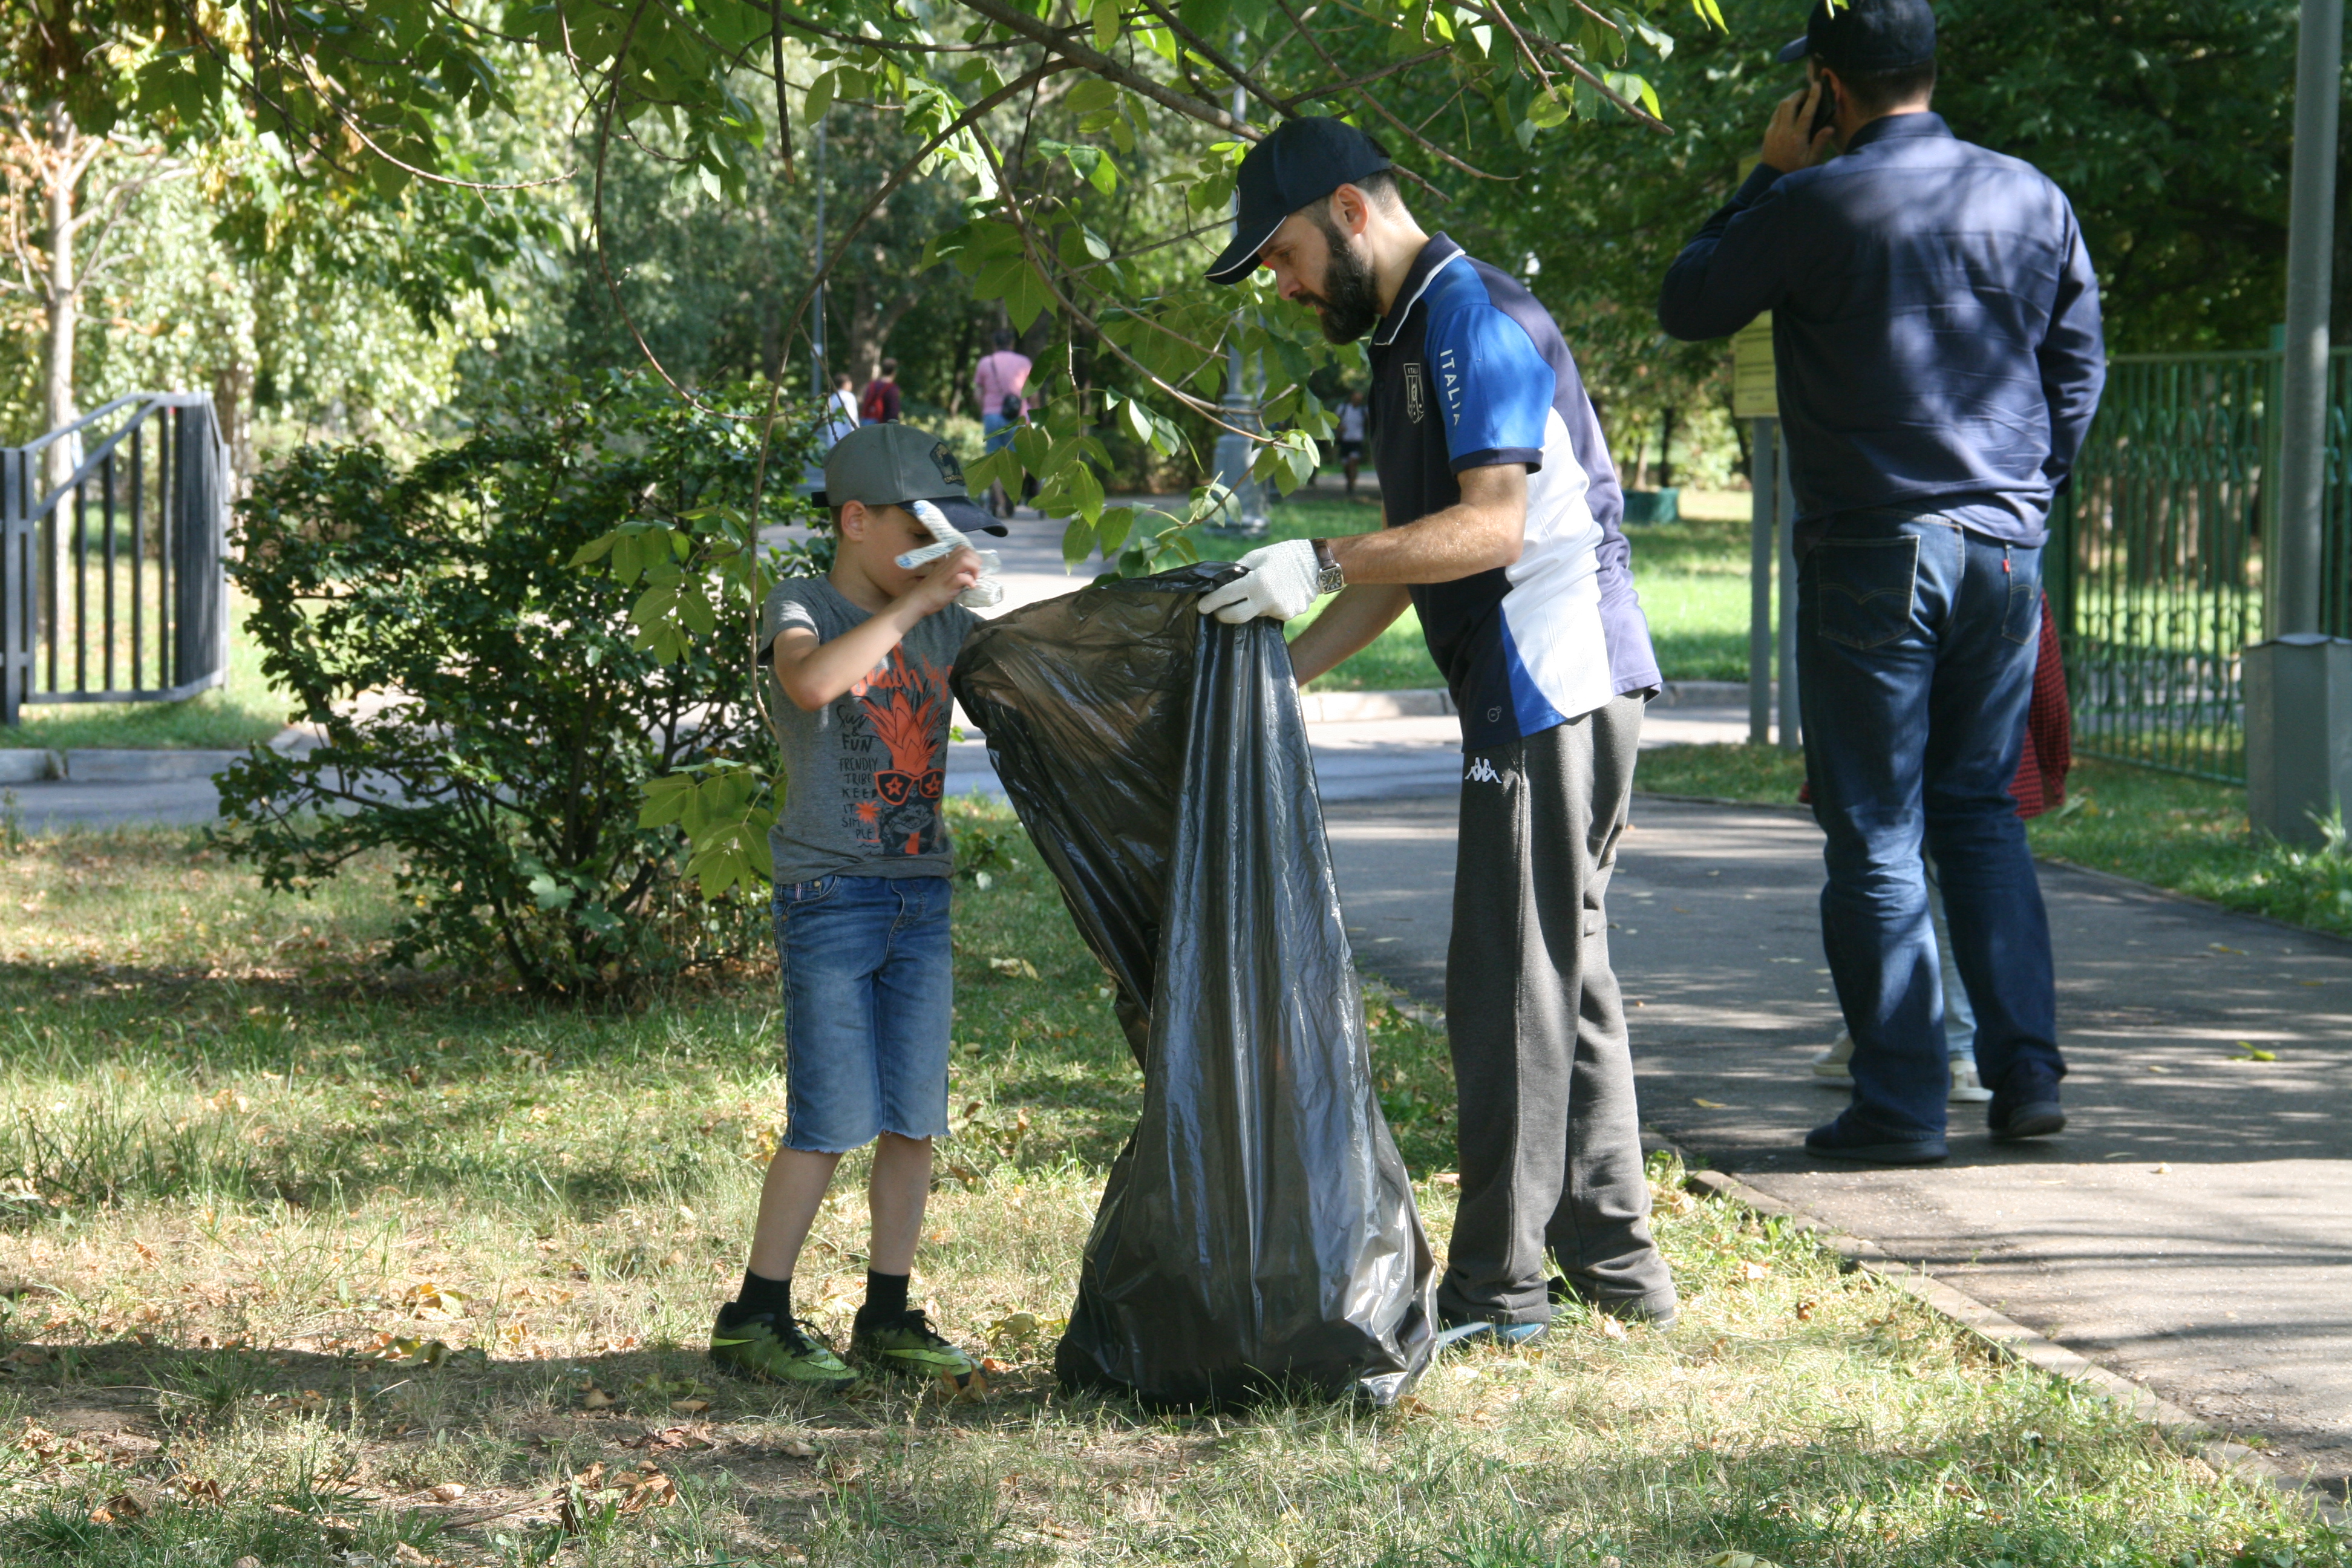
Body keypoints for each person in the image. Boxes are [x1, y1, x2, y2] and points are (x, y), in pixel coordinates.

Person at [1194, 116, 1677, 1342]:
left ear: (1352, 210)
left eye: (1287, 254)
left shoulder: (1474, 317)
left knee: (1505, 989)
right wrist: (1281, 675)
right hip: (1544, 694)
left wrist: (1316, 554)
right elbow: (1409, 569)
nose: (1285, 283)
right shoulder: (1404, 337)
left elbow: (1489, 529)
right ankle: (1619, 1267)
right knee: (1563, 982)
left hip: (1552, 688)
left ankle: (1500, 1293)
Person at [1658, 0, 2104, 1164]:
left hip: (1872, 546)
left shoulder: (1810, 203)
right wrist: (2022, 493)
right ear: (1926, 67)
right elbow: (2076, 364)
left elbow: (1688, 302)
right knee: (1977, 816)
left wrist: (1762, 174)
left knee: (1874, 831)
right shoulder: (2031, 197)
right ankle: (2025, 1079)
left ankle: (1902, 1106)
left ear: (1825, 88)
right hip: (2004, 549)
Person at [711, 422, 1010, 1390]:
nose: (933, 550)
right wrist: (923, 596)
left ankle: (886, 1312)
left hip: (918, 898)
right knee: (829, 1119)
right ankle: (756, 1315)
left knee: (914, 1119)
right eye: (915, 529)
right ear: (855, 520)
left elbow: (1031, 683)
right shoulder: (801, 603)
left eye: (940, 534)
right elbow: (811, 682)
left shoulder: (943, 627)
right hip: (830, 900)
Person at [1806, 595, 2073, 1098]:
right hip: (1999, 567)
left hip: (1884, 589)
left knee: (1900, 872)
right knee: (1973, 867)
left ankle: (1944, 1052)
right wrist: (2053, 764)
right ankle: (2021, 1070)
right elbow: (2047, 685)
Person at [974, 330, 1033, 519]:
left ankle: (999, 503)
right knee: (1018, 460)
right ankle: (1012, 494)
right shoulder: (1024, 363)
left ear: (995, 344)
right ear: (1012, 344)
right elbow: (1034, 393)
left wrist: (985, 408)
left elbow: (977, 393)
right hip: (1019, 417)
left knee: (994, 461)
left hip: (992, 417)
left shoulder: (985, 363)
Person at [1336, 388, 1369, 498]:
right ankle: (1349, 482)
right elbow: (1335, 421)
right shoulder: (1343, 409)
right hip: (1345, 441)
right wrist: (1339, 428)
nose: (1357, 401)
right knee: (1346, 465)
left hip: (1357, 441)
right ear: (1352, 398)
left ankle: (1352, 485)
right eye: (1356, 398)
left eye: (1360, 399)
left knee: (1353, 462)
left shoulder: (1364, 411)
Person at [860, 358, 902, 425]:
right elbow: (893, 413)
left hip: (867, 424)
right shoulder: (892, 389)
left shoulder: (871, 386)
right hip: (883, 427)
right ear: (894, 372)